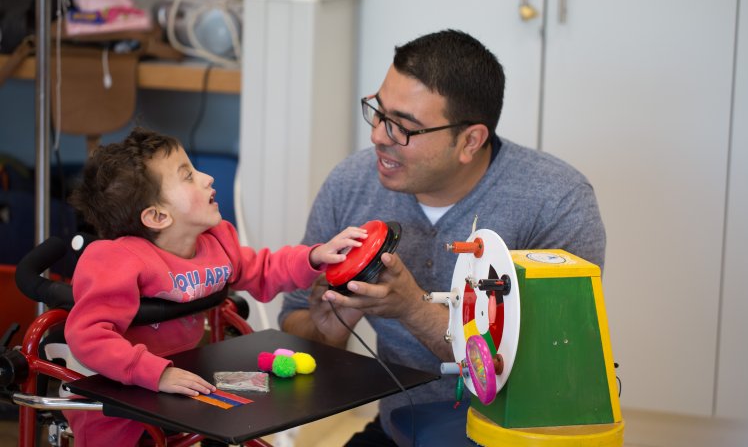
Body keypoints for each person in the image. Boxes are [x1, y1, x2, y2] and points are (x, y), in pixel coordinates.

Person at [279, 29, 606, 445]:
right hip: (401, 427)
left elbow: (551, 370)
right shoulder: (351, 183)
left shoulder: (556, 200)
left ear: (470, 141)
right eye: (379, 111)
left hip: (509, 435)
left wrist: (413, 309)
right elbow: (295, 323)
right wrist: (330, 328)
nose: (379, 135)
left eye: (403, 127)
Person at [63, 127, 367, 447]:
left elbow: (263, 269)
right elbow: (89, 335)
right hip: (116, 390)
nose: (207, 177)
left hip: (184, 376)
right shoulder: (115, 259)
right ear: (157, 215)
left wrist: (315, 256)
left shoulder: (217, 241)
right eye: (188, 176)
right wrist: (156, 373)